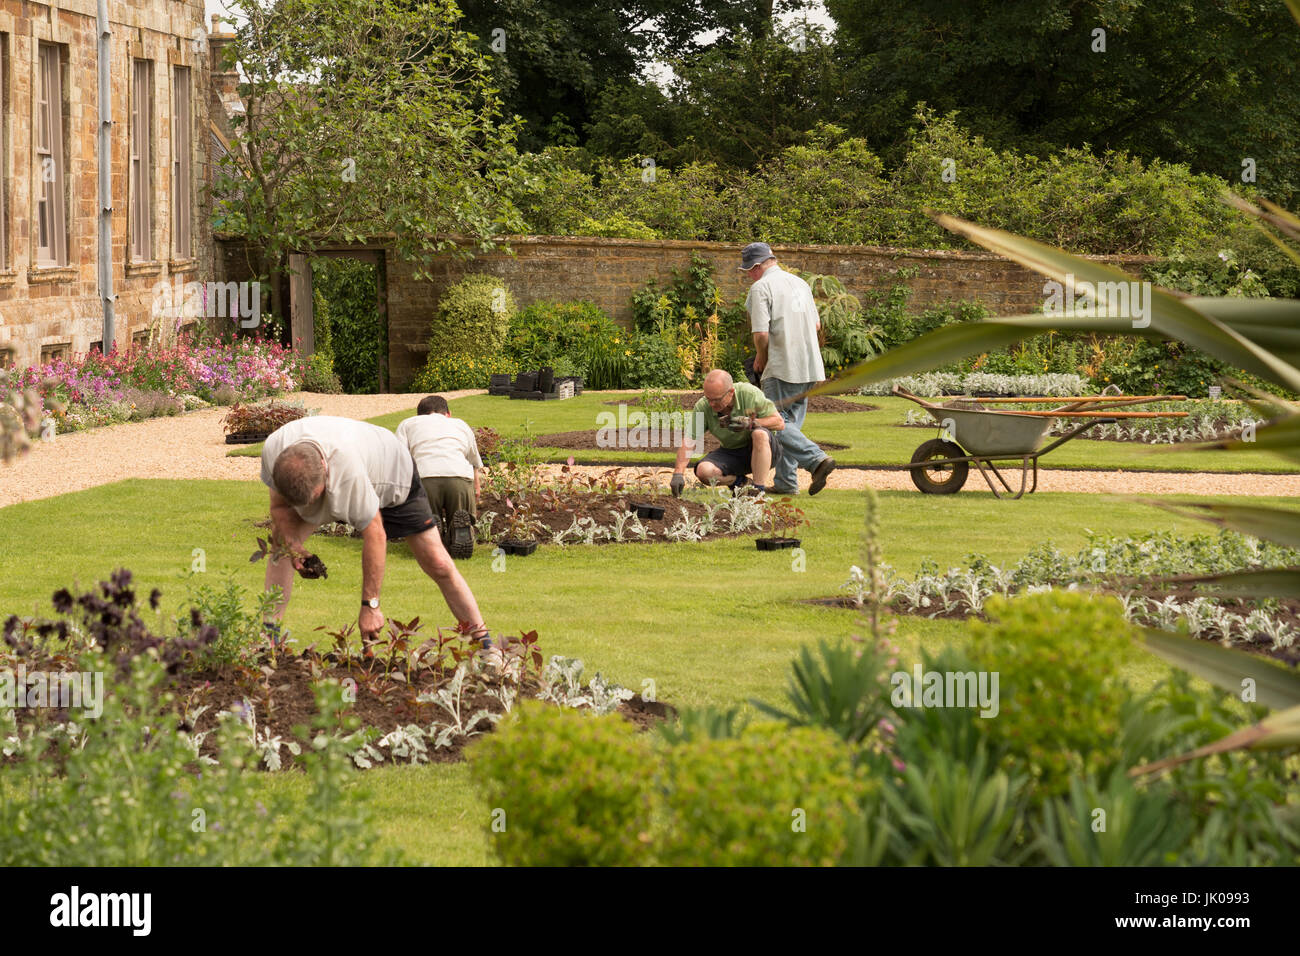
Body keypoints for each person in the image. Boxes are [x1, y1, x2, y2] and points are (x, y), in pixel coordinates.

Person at [259, 415, 489, 644]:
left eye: (314, 500)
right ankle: (268, 638)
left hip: (391, 476)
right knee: (281, 547)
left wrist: (370, 605)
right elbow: (280, 508)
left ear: (324, 467)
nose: (308, 509)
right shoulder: (274, 450)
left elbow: (376, 534)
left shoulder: (348, 471)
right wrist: (294, 545)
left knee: (437, 563)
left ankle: (485, 644)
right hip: (347, 464)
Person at [740, 241, 836, 495]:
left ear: (758, 266)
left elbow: (761, 333)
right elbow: (816, 326)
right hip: (810, 365)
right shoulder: (800, 284)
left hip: (782, 365)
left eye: (749, 270)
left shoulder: (761, 287)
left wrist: (762, 357)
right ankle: (786, 483)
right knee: (789, 424)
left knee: (772, 422)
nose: (748, 275)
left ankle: (817, 460)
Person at [669, 368, 785, 496]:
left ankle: (757, 491)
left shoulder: (749, 394)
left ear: (731, 392)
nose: (712, 404)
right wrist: (678, 473)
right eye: (708, 398)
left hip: (765, 450)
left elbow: (779, 423)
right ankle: (742, 483)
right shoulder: (703, 407)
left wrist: (752, 423)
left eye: (716, 400)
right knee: (704, 471)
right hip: (732, 452)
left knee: (759, 434)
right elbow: (690, 440)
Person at [395, 395, 482, 560]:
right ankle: (459, 532)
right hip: (459, 477)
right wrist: (476, 487)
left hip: (425, 477)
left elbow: (400, 459)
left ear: (419, 415)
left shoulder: (408, 424)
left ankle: (431, 529)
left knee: (425, 515)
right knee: (460, 513)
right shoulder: (460, 424)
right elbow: (473, 462)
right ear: (448, 413)